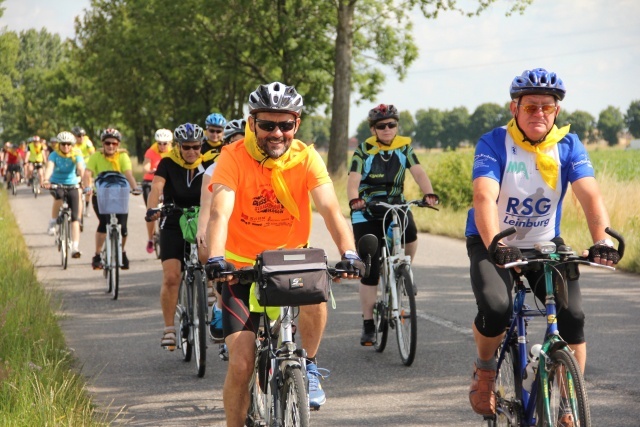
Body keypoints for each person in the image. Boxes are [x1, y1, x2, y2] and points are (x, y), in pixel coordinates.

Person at [465, 68, 622, 424]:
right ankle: (486, 372)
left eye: (547, 107)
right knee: (497, 307)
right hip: (493, 239)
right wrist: (494, 246)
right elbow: (483, 196)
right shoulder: (493, 142)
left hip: (543, 243)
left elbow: (589, 194)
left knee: (573, 318)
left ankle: (568, 406)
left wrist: (601, 240)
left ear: (557, 111)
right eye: (531, 106)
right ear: (514, 108)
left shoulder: (568, 145)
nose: (539, 114)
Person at [204, 82, 364, 425]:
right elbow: (220, 210)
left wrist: (349, 252)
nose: (277, 133)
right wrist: (217, 259)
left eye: (286, 125)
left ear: (297, 125)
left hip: (291, 261)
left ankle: (307, 364)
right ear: (251, 124)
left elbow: (331, 210)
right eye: (267, 125)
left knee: (317, 296)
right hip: (241, 268)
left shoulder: (306, 158)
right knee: (243, 362)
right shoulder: (232, 156)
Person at [347, 103, 439, 346]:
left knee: (410, 233)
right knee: (371, 269)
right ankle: (368, 323)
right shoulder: (363, 151)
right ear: (373, 129)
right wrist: (354, 199)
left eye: (392, 124)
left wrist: (428, 193)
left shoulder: (404, 148)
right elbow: (353, 179)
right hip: (367, 210)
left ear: (397, 126)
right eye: (381, 126)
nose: (387, 129)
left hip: (395, 206)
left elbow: (418, 172)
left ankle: (405, 269)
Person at [144, 123, 217, 350]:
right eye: (187, 147)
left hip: (201, 219)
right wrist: (152, 207)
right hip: (173, 219)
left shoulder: (208, 164)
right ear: (178, 146)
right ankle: (169, 329)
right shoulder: (167, 163)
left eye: (196, 147)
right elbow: (156, 188)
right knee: (172, 277)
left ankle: (211, 288)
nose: (192, 152)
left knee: (211, 258)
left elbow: (218, 190)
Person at [196, 118, 246, 342]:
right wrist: (202, 230)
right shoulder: (214, 169)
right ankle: (219, 305)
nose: (242, 145)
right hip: (226, 227)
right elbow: (208, 207)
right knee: (222, 266)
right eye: (236, 141)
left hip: (253, 230)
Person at [82, 128, 139, 270]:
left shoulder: (123, 157)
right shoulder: (96, 156)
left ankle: (122, 251)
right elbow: (87, 173)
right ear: (103, 143)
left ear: (118, 144)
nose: (111, 146)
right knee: (103, 223)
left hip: (119, 195)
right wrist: (87, 187)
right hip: (100, 195)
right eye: (107, 143)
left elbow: (129, 174)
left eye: (114, 143)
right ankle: (97, 254)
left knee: (123, 228)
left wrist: (135, 188)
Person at [42, 131, 85, 257]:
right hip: (56, 183)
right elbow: (49, 167)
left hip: (72, 184)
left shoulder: (76, 154)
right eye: (63, 144)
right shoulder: (54, 155)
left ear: (72, 145)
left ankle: (75, 247)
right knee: (59, 197)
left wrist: (83, 181)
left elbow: (81, 168)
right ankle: (53, 221)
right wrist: (45, 180)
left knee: (76, 218)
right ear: (59, 145)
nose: (66, 147)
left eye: (68, 144)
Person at [142, 128, 173, 253]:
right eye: (159, 143)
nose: (162, 146)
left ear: (170, 143)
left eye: (165, 143)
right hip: (150, 181)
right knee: (151, 210)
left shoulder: (173, 152)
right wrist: (150, 170)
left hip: (166, 183)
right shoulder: (151, 150)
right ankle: (150, 238)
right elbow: (146, 165)